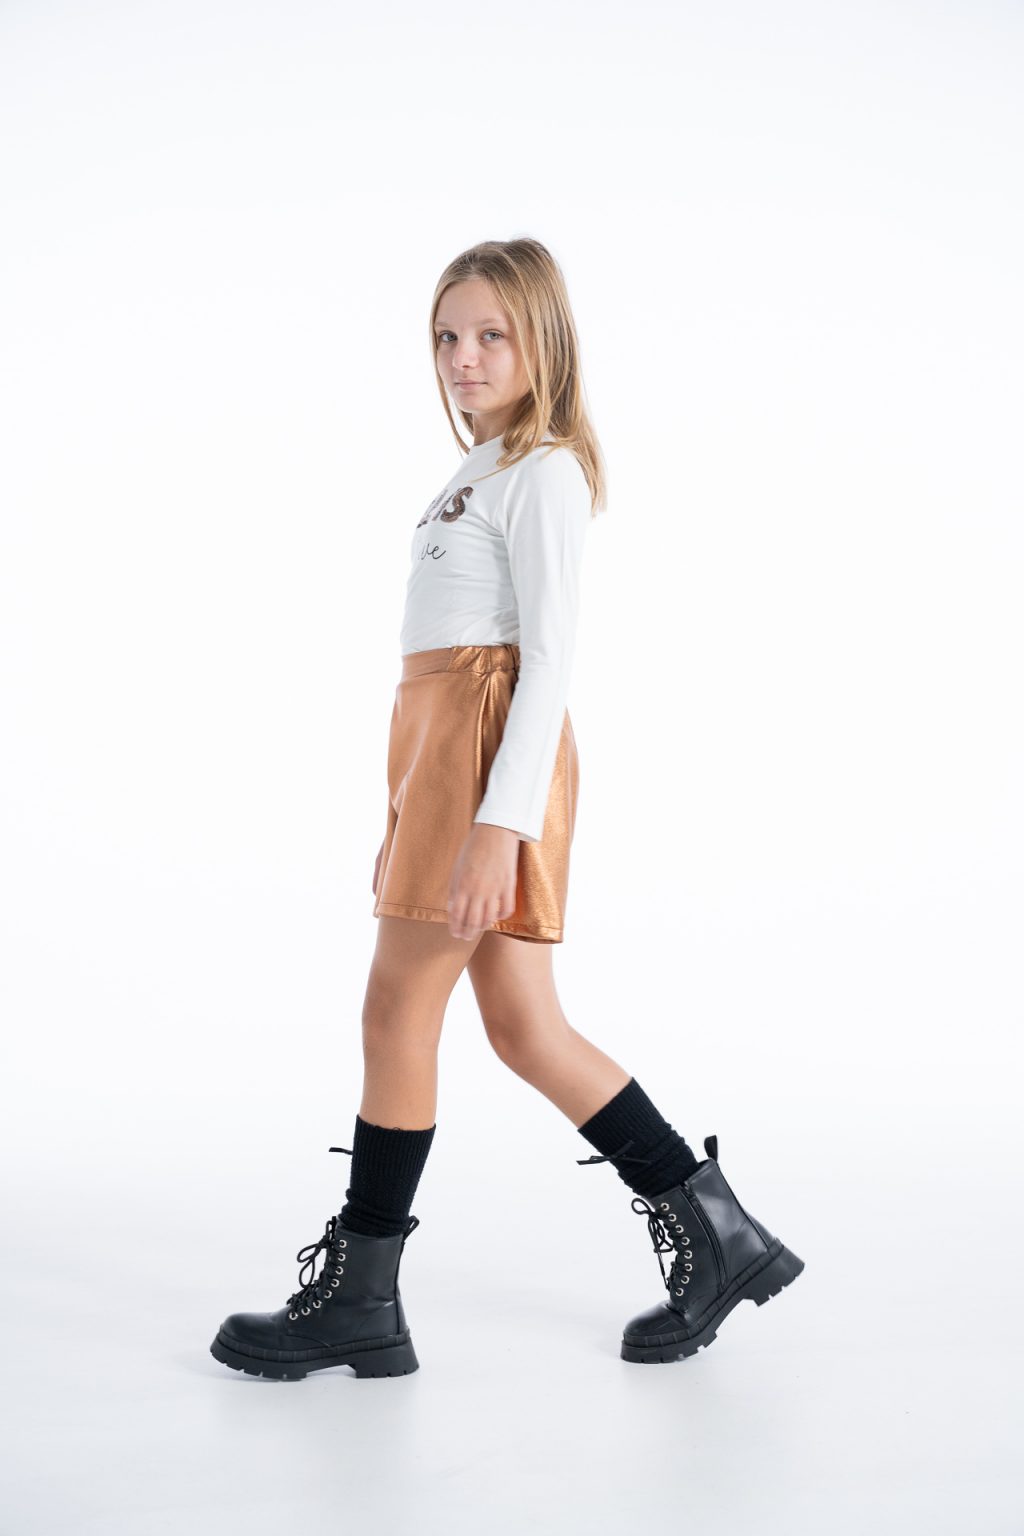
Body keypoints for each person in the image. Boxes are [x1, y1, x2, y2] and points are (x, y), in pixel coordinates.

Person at [209, 236, 804, 1381]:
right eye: (446, 336)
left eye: (491, 334)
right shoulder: (477, 470)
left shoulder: (544, 471)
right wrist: (418, 798)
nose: (463, 357)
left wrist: (498, 822)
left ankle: (362, 1298)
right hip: (442, 747)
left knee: (396, 1009)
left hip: (484, 751)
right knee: (525, 1027)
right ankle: (721, 1234)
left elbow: (548, 660)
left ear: (544, 342)